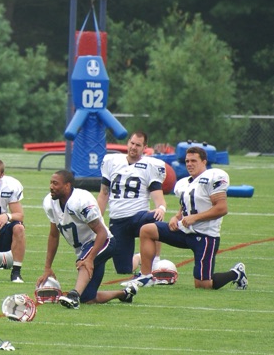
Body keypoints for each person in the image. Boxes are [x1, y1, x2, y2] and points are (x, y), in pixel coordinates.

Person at [124, 146, 247, 290]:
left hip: (205, 236)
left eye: (194, 161)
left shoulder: (213, 176)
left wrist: (195, 218)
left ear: (204, 162)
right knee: (147, 230)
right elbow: (185, 207)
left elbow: (221, 208)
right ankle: (145, 276)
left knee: (203, 285)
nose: (189, 164)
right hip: (184, 231)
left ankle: (236, 273)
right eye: (187, 161)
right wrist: (176, 217)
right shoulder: (183, 183)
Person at [38, 170, 136, 309]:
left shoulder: (81, 200)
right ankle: (125, 294)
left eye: (55, 183)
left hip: (103, 242)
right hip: (84, 248)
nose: (51, 187)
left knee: (83, 262)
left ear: (67, 185)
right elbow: (54, 235)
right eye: (50, 183)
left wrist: (90, 259)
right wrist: (47, 268)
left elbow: (101, 232)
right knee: (88, 298)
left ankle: (74, 296)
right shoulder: (50, 202)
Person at [96, 131, 168, 274]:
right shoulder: (112, 161)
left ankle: (155, 261)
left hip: (138, 217)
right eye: (132, 143)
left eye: (138, 145)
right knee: (123, 270)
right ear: (128, 143)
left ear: (144, 148)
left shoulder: (150, 166)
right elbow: (104, 194)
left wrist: (161, 208)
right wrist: (96, 219)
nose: (134, 147)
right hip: (117, 220)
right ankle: (140, 258)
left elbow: (159, 198)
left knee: (155, 218)